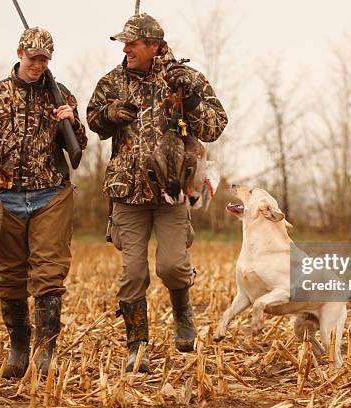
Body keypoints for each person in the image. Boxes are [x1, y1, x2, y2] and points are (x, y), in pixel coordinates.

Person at [87, 13, 228, 372]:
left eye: (132, 43)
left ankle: (183, 316)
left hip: (172, 193)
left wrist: (192, 100)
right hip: (127, 193)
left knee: (172, 267)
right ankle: (137, 345)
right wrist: (110, 112)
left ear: (154, 45)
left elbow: (215, 126)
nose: (126, 49)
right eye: (123, 43)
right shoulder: (112, 81)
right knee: (133, 273)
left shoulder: (185, 79)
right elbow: (92, 121)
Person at [0, 27, 87, 378]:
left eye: (44, 59)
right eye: (33, 58)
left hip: (51, 196)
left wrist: (71, 122)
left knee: (49, 275)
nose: (38, 65)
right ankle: (19, 346)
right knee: (11, 278)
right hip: (5, 197)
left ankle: (45, 352)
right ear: (19, 53)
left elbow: (80, 145)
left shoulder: (61, 95)